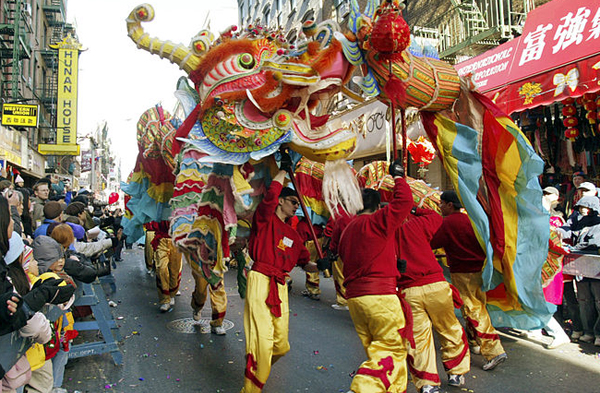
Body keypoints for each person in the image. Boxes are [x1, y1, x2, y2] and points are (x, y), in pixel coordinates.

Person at [241, 162, 320, 393]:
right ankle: (251, 388)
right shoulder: (264, 220)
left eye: (298, 203)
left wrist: (324, 265)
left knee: (280, 345)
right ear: (281, 201)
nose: (296, 206)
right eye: (293, 202)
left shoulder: (294, 236)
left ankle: (258, 371)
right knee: (262, 343)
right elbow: (269, 198)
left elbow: (307, 265)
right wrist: (283, 172)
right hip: (259, 281)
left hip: (280, 286)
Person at [337, 159, 412, 393]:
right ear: (379, 207)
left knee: (378, 352)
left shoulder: (348, 230)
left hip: (357, 301)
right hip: (379, 297)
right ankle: (362, 388)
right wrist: (399, 177)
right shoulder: (378, 221)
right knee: (392, 348)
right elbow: (405, 202)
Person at [430, 191, 507, 371]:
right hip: (479, 269)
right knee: (478, 306)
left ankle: (494, 351)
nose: (440, 207)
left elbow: (434, 242)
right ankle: (475, 343)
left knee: (472, 310)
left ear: (450, 205)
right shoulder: (471, 219)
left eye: (442, 203)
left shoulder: (448, 222)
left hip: (462, 272)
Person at [396, 207, 469, 393]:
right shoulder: (417, 224)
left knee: (419, 338)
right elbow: (435, 216)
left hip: (409, 290)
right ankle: (456, 373)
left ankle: (428, 383)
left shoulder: (383, 234)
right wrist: (414, 208)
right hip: (436, 286)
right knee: (449, 328)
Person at [557, 195, 600, 346]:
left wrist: (573, 248)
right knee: (584, 301)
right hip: (582, 269)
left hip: (596, 269)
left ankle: (598, 333)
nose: (583, 210)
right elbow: (571, 230)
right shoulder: (580, 222)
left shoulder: (598, 224)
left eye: (586, 207)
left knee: (598, 301)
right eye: (581, 207)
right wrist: (560, 232)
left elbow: (593, 243)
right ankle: (588, 332)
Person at [146, 221, 182, 312]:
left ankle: (172, 293)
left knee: (174, 271)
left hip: (176, 240)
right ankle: (165, 299)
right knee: (161, 269)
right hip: (161, 240)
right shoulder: (159, 206)